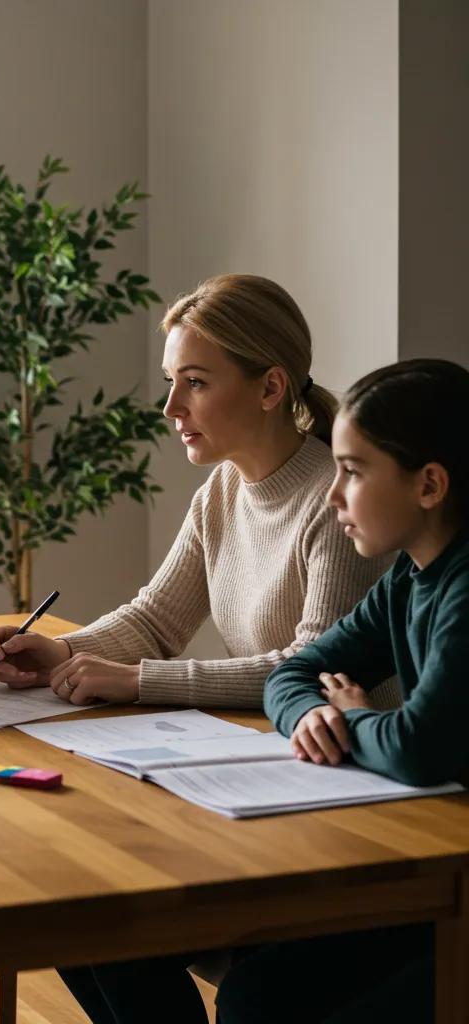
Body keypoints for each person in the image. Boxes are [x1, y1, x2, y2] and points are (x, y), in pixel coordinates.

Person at [0, 274, 392, 1023]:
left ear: (271, 387)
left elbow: (304, 668)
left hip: (342, 804)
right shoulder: (225, 492)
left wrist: (138, 680)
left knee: (116, 919)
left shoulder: (337, 504)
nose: (171, 409)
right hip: (264, 779)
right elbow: (155, 618)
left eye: (194, 384)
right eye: (172, 383)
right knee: (73, 906)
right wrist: (60, 649)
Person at [216, 358, 469, 1024]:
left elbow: (420, 746)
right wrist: (316, 714)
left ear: (430, 485)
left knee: (262, 1001)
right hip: (438, 871)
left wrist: (354, 720)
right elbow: (290, 676)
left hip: (454, 892)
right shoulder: (408, 579)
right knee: (252, 989)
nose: (332, 497)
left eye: (353, 472)